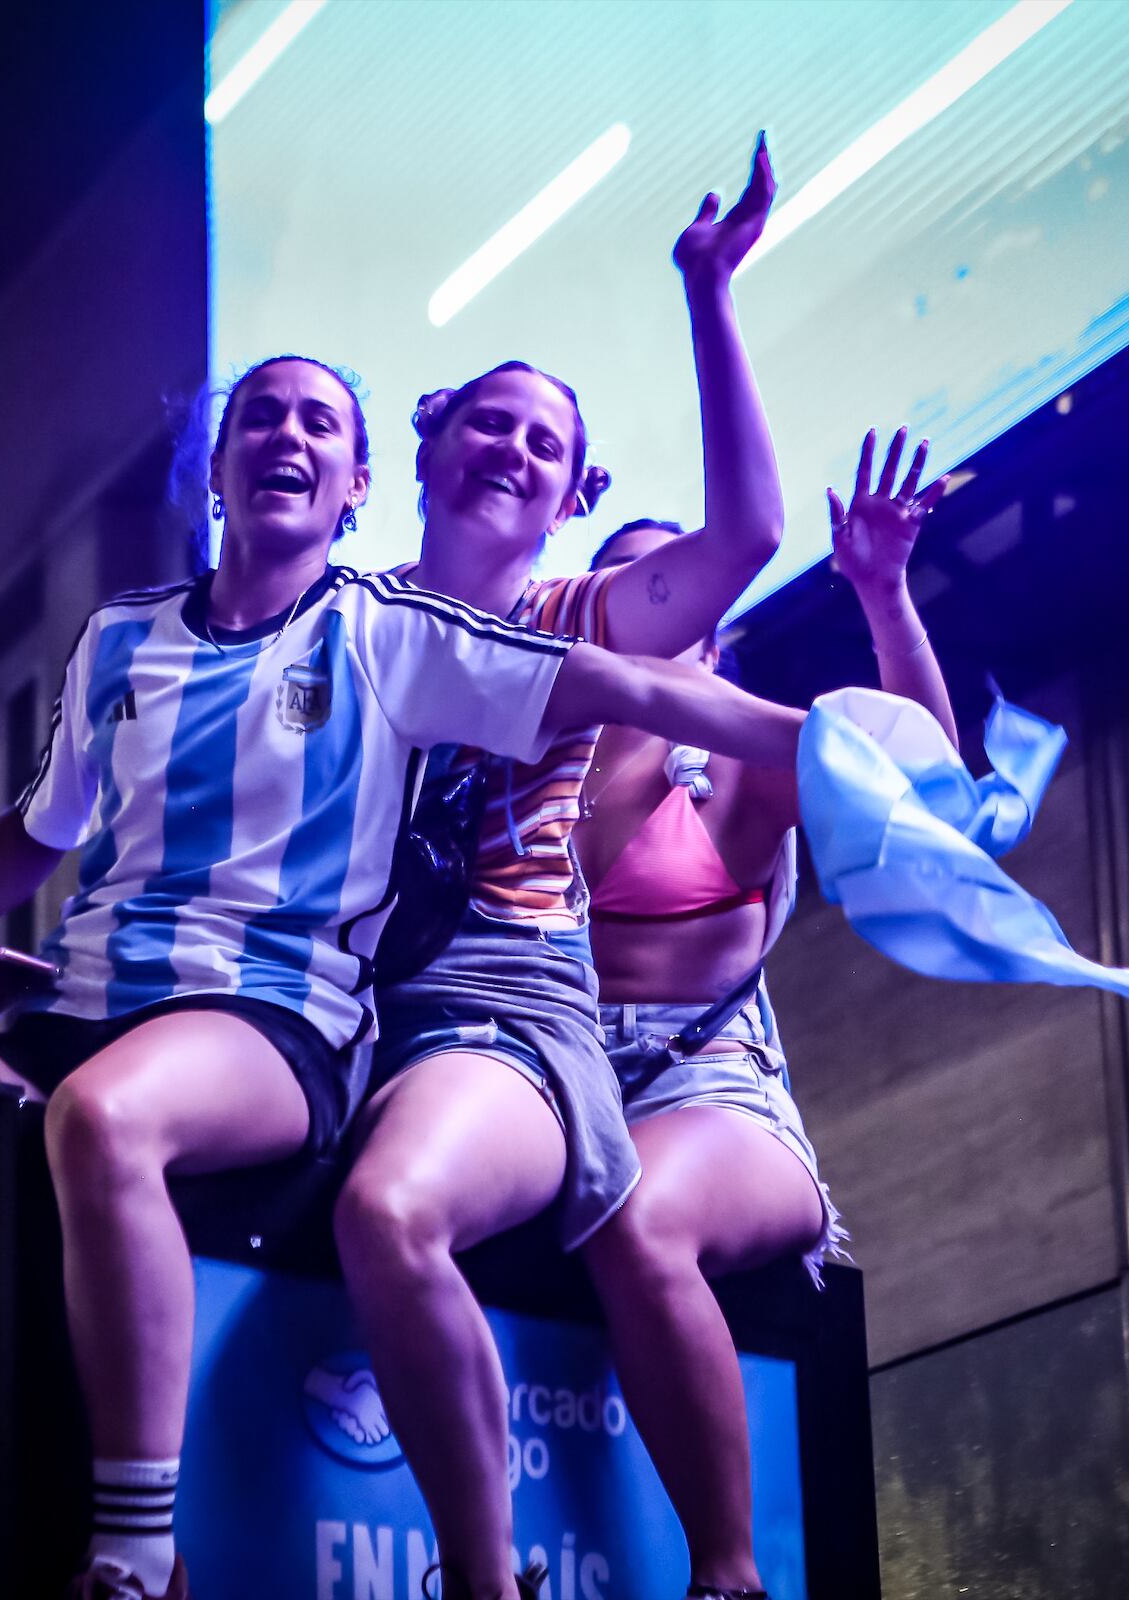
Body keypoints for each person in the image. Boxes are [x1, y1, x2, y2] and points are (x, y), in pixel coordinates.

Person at [0, 352, 810, 1600]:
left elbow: (644, 664)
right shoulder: (125, 638)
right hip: (88, 1011)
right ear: (223, 461)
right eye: (261, 414)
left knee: (166, 1139)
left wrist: (830, 736)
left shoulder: (400, 629)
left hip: (310, 1013)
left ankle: (160, 1552)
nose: (286, 435)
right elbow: (42, 820)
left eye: (316, 419)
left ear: (356, 481)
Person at [333, 135, 793, 1600]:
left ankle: (535, 1577)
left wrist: (708, 292)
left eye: (547, 441)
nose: (513, 449)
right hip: (333, 1009)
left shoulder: (580, 616)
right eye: (489, 420)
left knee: (390, 1213)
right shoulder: (338, 624)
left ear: (574, 487)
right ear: (427, 444)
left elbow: (749, 537)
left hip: (504, 1010)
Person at [575, 429, 952, 1600]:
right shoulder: (533, 763)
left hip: (713, 1092)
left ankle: (730, 1574)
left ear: (714, 620)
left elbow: (922, 779)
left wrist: (884, 595)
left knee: (634, 1216)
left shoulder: (746, 761)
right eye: (631, 588)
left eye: (678, 586)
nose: (654, 603)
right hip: (555, 1082)